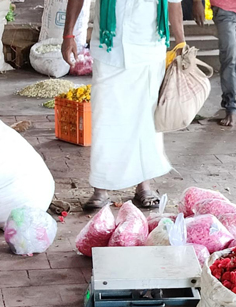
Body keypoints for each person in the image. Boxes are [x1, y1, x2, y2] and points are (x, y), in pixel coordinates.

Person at [62, 0, 187, 209]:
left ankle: (144, 187)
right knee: (105, 121)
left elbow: (174, 4)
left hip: (149, 51)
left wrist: (181, 43)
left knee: (146, 123)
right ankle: (100, 189)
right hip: (109, 49)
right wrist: (68, 36)